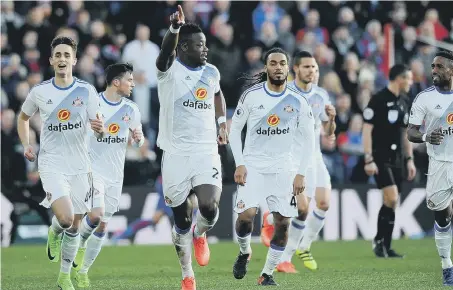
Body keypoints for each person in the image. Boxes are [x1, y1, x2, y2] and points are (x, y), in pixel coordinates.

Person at [16, 36, 104, 290]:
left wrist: (99, 130)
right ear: (51, 60)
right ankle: (55, 230)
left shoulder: (86, 91)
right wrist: (26, 144)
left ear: (74, 60)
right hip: (52, 162)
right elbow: (23, 118)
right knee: (66, 219)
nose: (62, 59)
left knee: (76, 224)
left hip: (80, 164)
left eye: (67, 55)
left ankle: (64, 276)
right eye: (58, 55)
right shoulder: (40, 91)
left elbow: (99, 129)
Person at [155, 5, 228, 290]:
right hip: (174, 153)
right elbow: (164, 54)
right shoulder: (168, 70)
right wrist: (174, 28)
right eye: (200, 45)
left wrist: (222, 121)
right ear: (184, 47)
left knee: (209, 207)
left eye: (206, 44)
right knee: (180, 219)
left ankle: (202, 233)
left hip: (205, 150)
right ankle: (187, 274)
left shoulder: (211, 72)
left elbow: (218, 93)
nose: (205, 49)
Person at [229, 47, 315, 286]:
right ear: (266, 67)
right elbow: (234, 131)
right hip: (253, 167)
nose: (278, 67)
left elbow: (309, 138)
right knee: (246, 217)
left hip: (283, 169)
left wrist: (300, 172)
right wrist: (240, 163)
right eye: (273, 63)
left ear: (288, 68)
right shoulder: (251, 96)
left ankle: (267, 274)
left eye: (282, 63)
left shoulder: (299, 101)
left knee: (283, 223)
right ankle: (245, 251)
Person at [260, 52, 336, 273]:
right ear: (296, 69)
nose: (311, 71)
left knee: (323, 203)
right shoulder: (285, 92)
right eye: (307, 67)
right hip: (292, 158)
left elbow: (328, 133)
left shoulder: (321, 95)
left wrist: (331, 119)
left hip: (315, 157)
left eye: (314, 67)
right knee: (301, 209)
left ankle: (302, 246)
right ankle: (284, 255)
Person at [70, 62, 144, 287]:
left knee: (103, 225)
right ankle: (80, 245)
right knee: (95, 215)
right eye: (129, 80)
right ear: (116, 82)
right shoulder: (94, 104)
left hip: (115, 174)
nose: (132, 83)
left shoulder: (131, 109)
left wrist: (138, 138)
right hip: (93, 170)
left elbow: (139, 139)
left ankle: (83, 270)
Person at [407, 50, 453, 286]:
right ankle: (447, 264)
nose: (434, 70)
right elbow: (411, 131)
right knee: (442, 215)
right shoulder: (423, 98)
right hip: (439, 164)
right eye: (433, 66)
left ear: (451, 70)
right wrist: (426, 136)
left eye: (440, 67)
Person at [362, 64, 416, 258]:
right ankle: (379, 241)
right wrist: (368, 158)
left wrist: (409, 159)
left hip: (398, 158)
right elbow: (366, 130)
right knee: (391, 197)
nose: (410, 82)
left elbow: (405, 133)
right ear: (398, 79)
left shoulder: (404, 101)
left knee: (392, 202)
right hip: (380, 156)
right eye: (408, 79)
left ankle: (385, 245)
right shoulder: (378, 99)